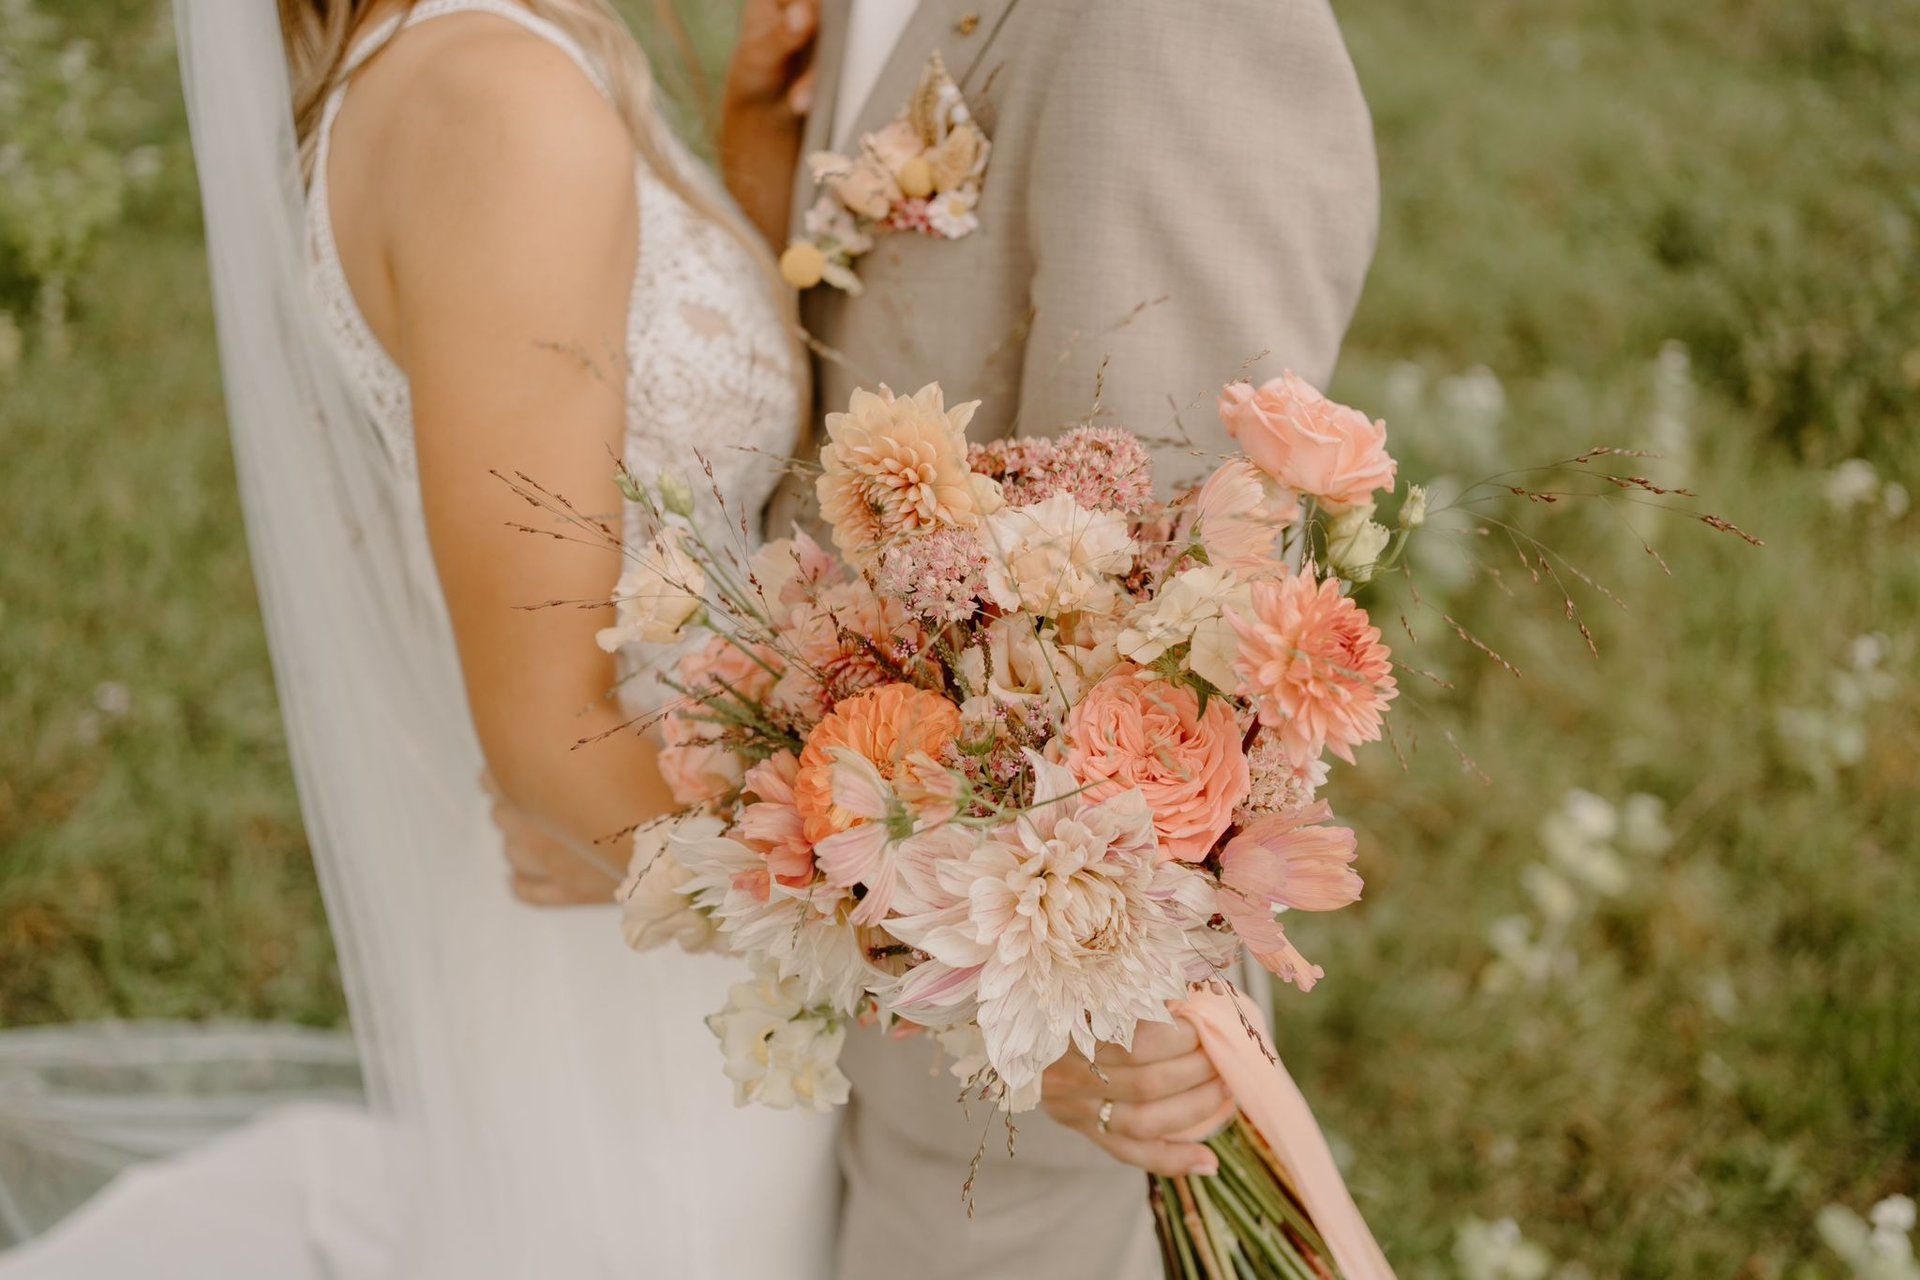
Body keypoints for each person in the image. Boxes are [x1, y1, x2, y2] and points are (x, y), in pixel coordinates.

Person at [0, 1, 840, 1276]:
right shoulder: (494, 105)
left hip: (690, 893)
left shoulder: (482, 63)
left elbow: (656, 435)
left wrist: (751, 172)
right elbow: (555, 740)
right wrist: (945, 916)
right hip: (651, 960)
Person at [733, 1, 1381, 1276]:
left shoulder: (1169, 30)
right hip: (848, 955)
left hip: (1030, 1054)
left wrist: (1082, 999)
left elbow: (1165, 608)